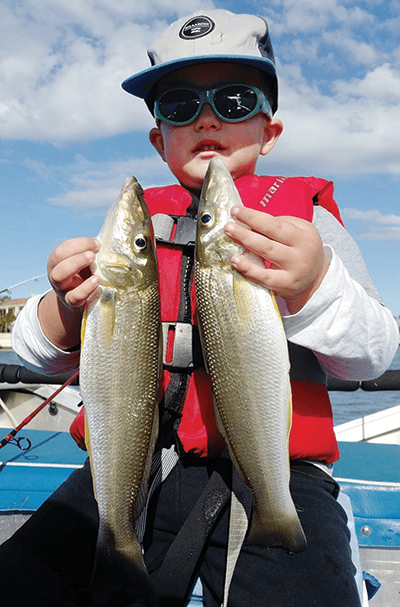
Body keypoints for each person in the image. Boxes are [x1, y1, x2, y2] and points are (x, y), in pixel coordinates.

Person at [4, 8, 399, 607]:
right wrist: (61, 308)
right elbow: (37, 353)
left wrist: (316, 284)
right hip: (135, 461)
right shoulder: (131, 234)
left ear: (270, 131)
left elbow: (371, 356)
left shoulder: (306, 225)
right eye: (181, 105)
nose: (208, 117)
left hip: (273, 471)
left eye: (236, 100)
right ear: (159, 139)